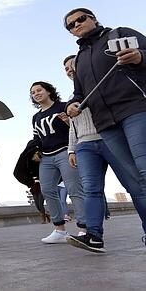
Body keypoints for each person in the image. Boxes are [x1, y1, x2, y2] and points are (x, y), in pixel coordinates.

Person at [62, 51, 146, 252]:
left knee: (134, 185)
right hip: (84, 146)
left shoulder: (104, 87)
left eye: (72, 65)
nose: (70, 70)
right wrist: (71, 149)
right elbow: (74, 128)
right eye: (66, 69)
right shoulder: (73, 98)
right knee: (91, 189)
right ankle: (94, 236)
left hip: (110, 139)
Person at [30, 81, 86, 243]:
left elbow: (77, 127)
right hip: (46, 157)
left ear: (49, 91)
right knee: (47, 190)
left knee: (74, 189)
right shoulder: (36, 117)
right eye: (33, 93)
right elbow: (36, 137)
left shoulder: (63, 106)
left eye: (39, 90)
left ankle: (84, 229)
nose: (36, 94)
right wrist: (35, 151)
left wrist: (68, 123)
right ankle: (59, 230)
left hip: (65, 151)